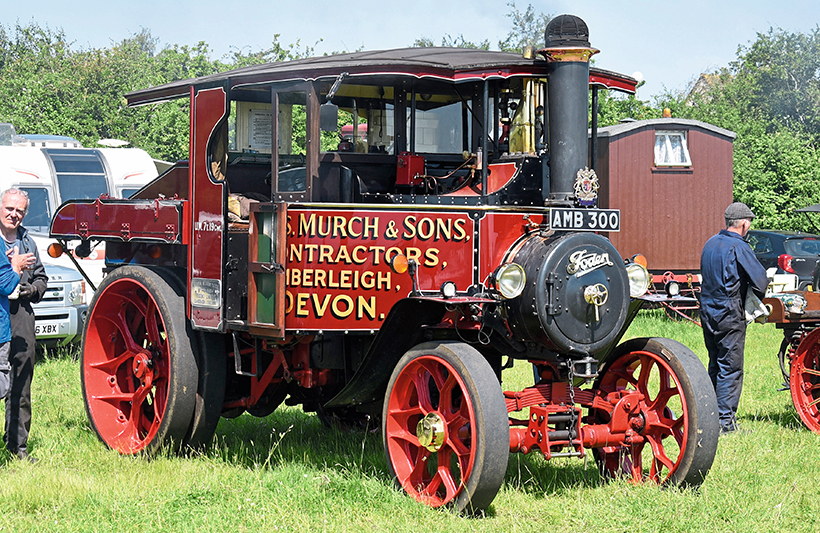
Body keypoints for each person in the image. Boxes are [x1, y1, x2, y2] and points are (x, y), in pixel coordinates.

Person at [700, 202, 769, 435]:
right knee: (730, 367)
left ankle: (709, 417)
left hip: (707, 310)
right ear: (744, 224)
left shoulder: (709, 244)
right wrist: (753, 299)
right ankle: (725, 424)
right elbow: (761, 281)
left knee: (715, 363)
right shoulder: (739, 247)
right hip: (729, 312)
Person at [0, 188, 46, 462]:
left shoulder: (27, 241)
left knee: (22, 381)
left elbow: (42, 278)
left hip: (22, 316)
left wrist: (31, 290)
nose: (13, 214)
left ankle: (17, 447)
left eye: (20, 211)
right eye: (9, 208)